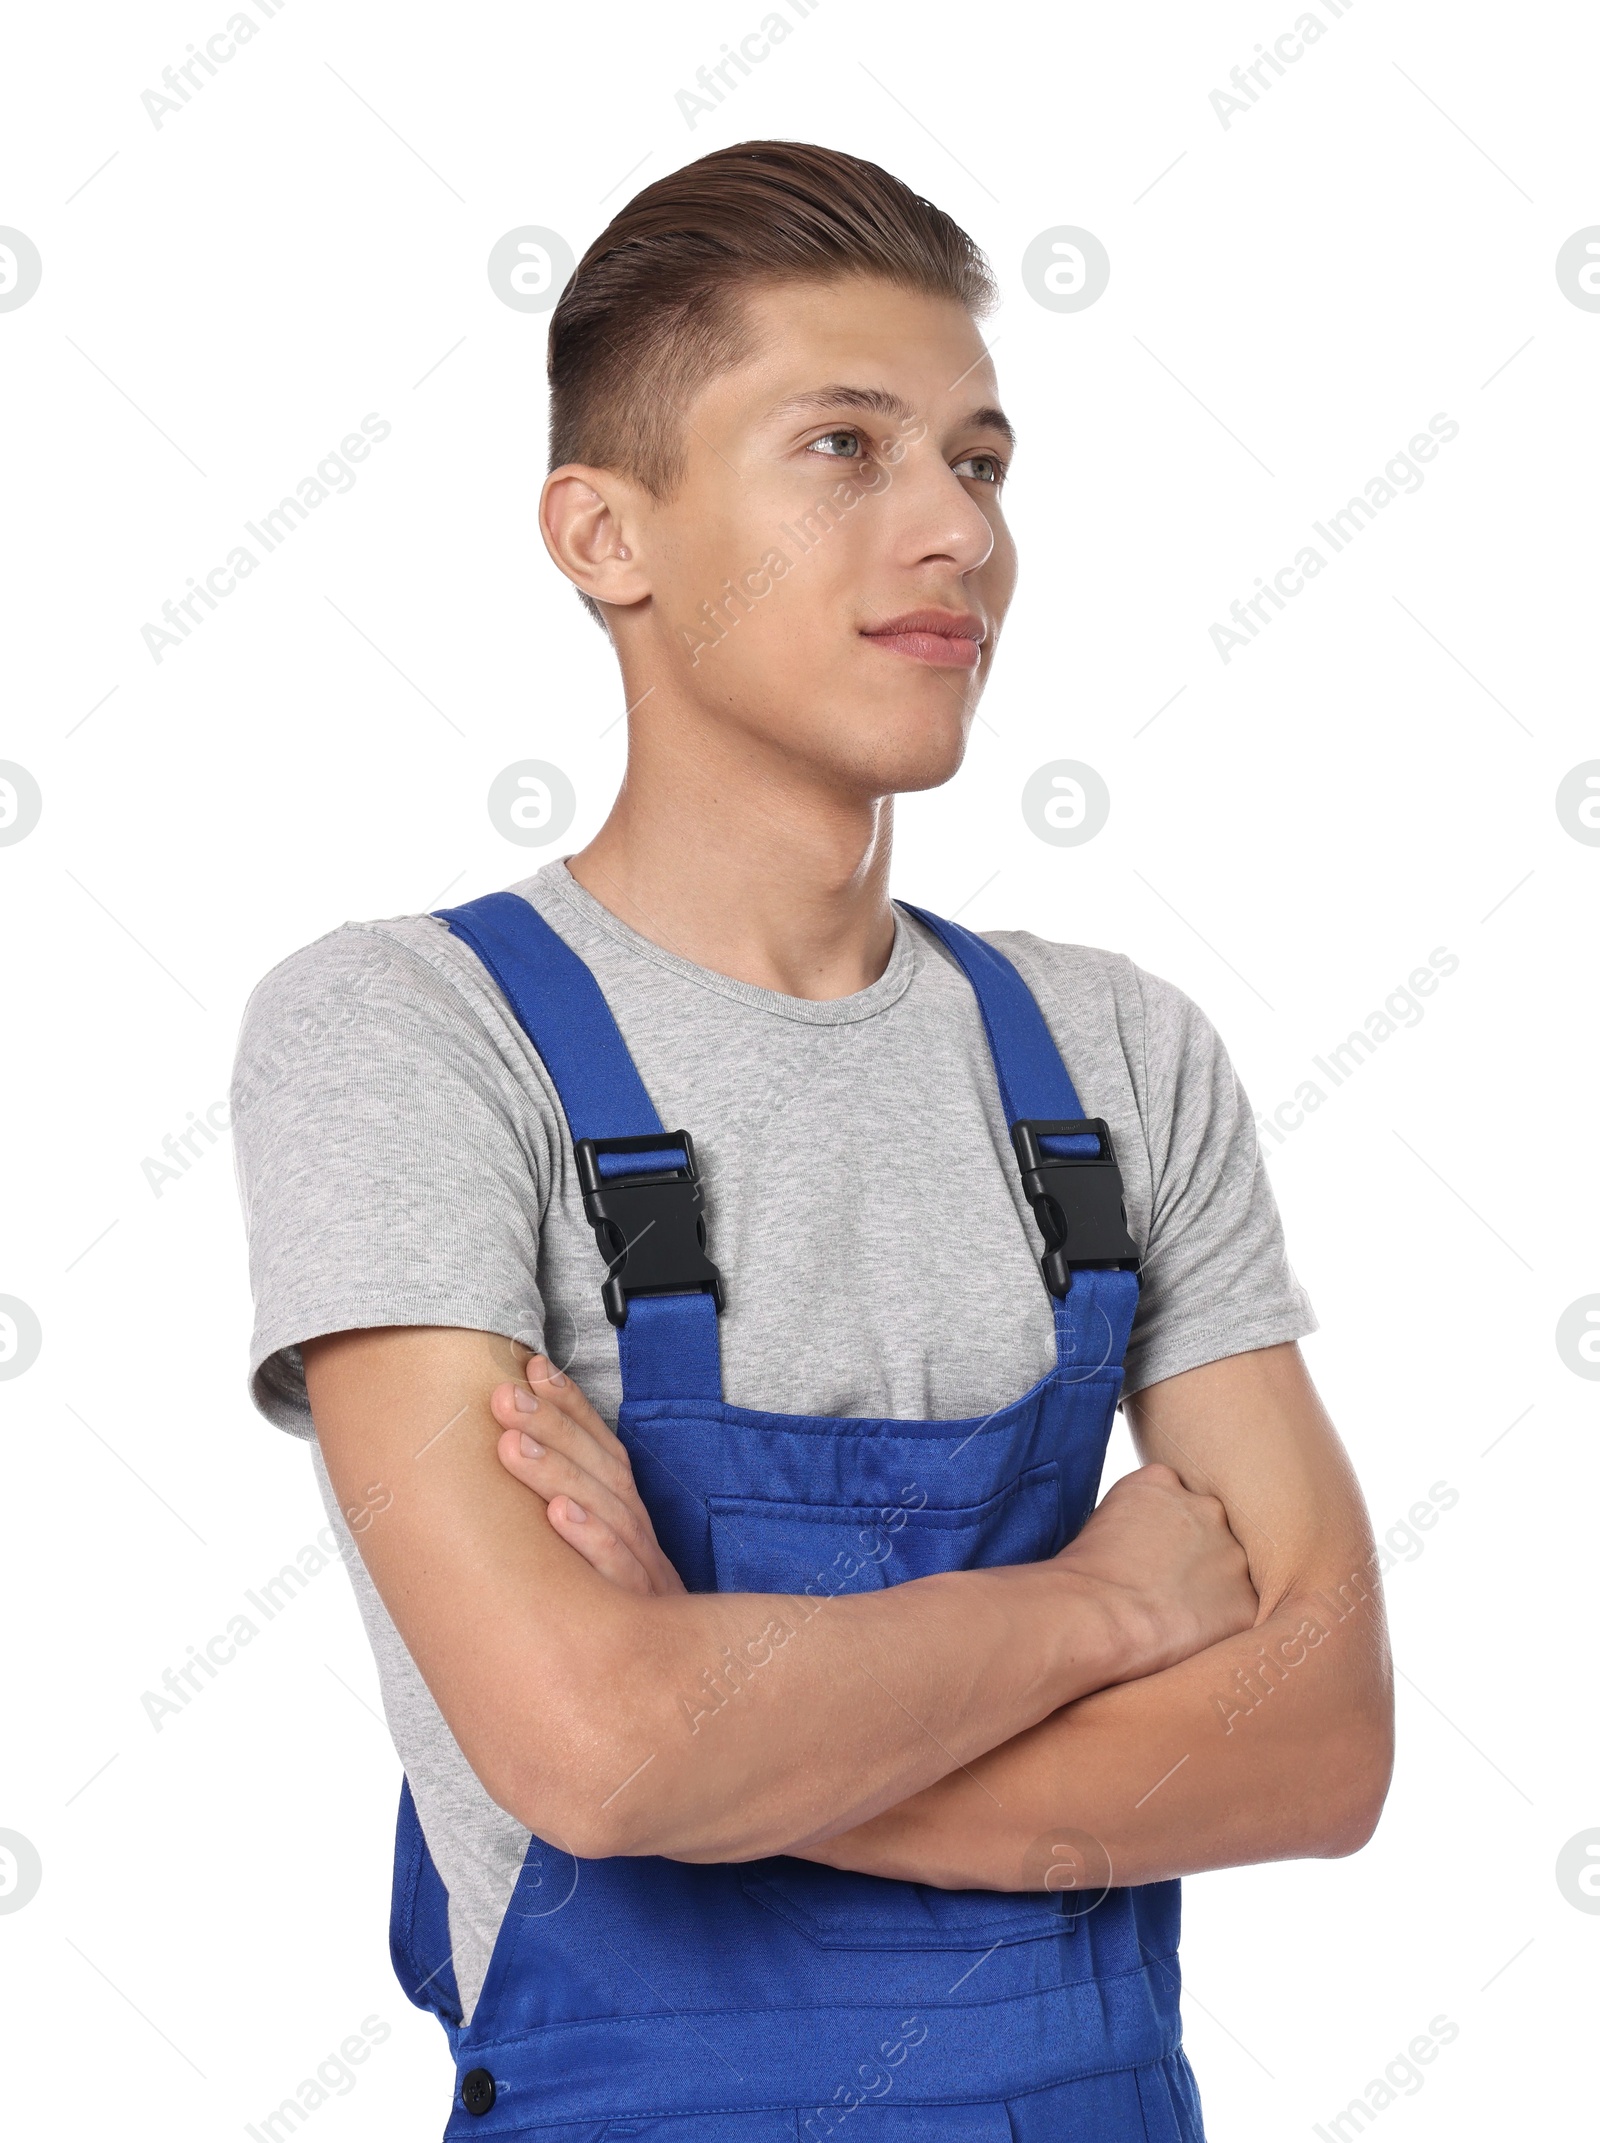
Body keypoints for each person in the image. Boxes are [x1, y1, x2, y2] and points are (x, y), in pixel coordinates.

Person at [231, 140, 1393, 2142]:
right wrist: (1097, 1615)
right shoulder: (407, 1035)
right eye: (840, 447)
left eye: (979, 458)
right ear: (604, 533)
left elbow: (1319, 1747)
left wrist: (725, 1732)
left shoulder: (1115, 1054)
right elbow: (590, 1756)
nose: (952, 528)